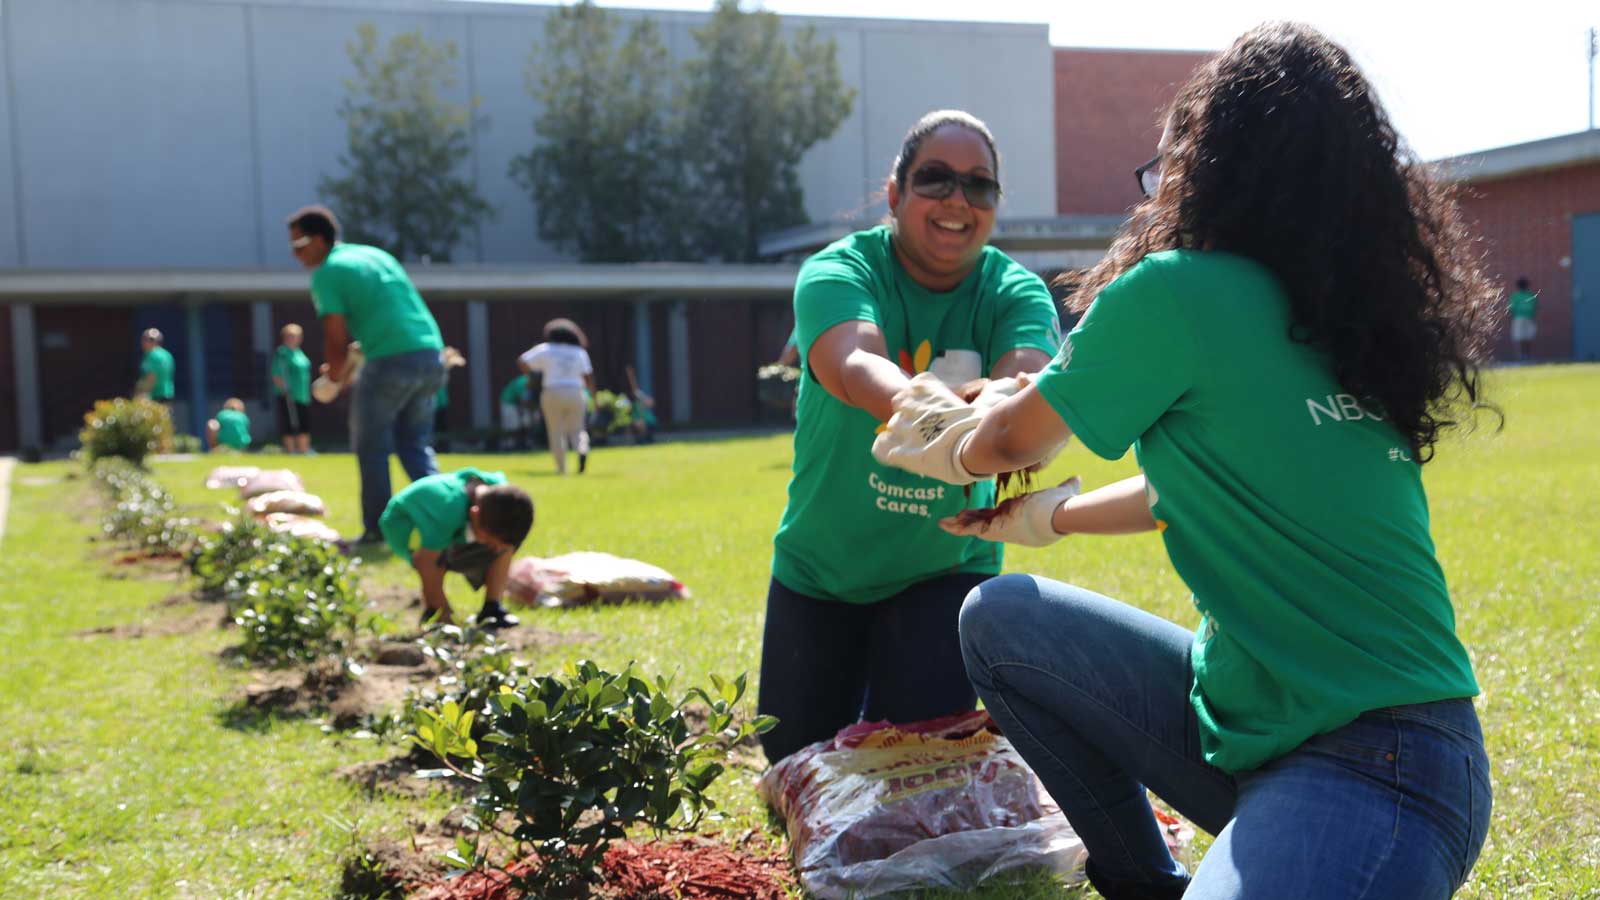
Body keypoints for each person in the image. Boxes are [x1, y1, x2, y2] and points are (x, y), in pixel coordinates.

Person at [872, 24, 1498, 900]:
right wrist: (1047, 518)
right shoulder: (1350, 321)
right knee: (1004, 619)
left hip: (1375, 764)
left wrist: (952, 440)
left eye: (1169, 164)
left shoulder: (1177, 290)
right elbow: (1198, 489)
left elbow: (1015, 441)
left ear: (1211, 165)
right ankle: (1143, 884)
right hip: (1288, 730)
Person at [757, 109, 1062, 765]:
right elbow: (853, 363)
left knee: (913, 770)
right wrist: (941, 422)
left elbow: (1028, 380)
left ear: (995, 206)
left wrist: (1013, 411)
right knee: (792, 767)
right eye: (936, 179)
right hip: (822, 566)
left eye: (978, 185)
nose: (957, 199)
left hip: (944, 568)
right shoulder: (840, 271)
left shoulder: (1016, 293)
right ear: (894, 194)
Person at [287, 205, 447, 544]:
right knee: (414, 444)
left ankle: (377, 530)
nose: (295, 254)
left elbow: (335, 335)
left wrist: (333, 378)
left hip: (390, 361)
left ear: (317, 239)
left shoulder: (328, 272)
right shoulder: (374, 255)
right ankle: (448, 516)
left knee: (371, 445)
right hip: (431, 355)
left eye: (298, 244)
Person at [379, 467, 533, 629]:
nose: (493, 550)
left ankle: (492, 608)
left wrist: (497, 543)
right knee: (434, 559)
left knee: (504, 546)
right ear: (475, 514)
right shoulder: (447, 510)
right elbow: (425, 563)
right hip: (406, 527)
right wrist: (447, 615)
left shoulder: (500, 494)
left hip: (451, 522)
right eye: (489, 541)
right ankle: (435, 612)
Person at [518, 319, 595, 475]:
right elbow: (587, 376)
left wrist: (533, 375)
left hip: (552, 391)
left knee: (556, 430)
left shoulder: (545, 349)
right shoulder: (579, 352)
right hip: (576, 391)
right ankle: (582, 449)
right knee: (577, 428)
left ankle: (561, 468)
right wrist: (594, 396)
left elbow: (522, 361)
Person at [271, 323, 314, 454]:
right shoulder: (282, 353)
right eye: (290, 336)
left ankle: (304, 449)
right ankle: (291, 451)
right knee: (290, 424)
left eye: (296, 336)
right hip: (289, 395)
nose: (293, 338)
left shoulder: (299, 353)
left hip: (303, 395)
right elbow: (277, 374)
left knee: (304, 423)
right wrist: (285, 390)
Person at [135, 328, 176, 404]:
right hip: (168, 393)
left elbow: (151, 377)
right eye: (144, 339)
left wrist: (142, 394)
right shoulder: (167, 354)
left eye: (148, 339)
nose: (144, 342)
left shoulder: (151, 355)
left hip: (155, 396)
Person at [498, 373, 534, 449]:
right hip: (508, 402)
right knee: (512, 425)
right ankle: (509, 445)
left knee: (522, 423)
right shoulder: (523, 383)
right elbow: (523, 401)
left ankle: (521, 443)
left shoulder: (528, 381)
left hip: (515, 404)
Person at [1509, 276, 1539, 361]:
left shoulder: (1515, 296)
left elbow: (1511, 308)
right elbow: (1535, 307)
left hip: (1518, 318)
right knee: (1528, 337)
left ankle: (1520, 356)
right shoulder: (1531, 295)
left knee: (1519, 338)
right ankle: (1527, 355)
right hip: (1529, 318)